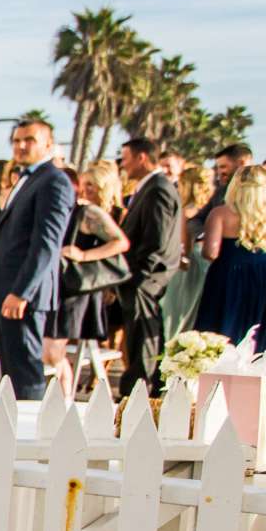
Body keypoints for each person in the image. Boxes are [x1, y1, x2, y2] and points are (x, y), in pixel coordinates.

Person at [0, 117, 75, 401]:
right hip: (6, 292)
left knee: (25, 373)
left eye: (29, 140)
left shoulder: (53, 181)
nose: (21, 146)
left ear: (48, 144)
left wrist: (21, 292)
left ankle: (27, 433)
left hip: (24, 297)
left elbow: (46, 244)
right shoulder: (27, 178)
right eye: (16, 141)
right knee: (10, 373)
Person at [49, 160, 131, 397]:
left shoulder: (88, 213)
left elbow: (121, 242)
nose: (85, 189)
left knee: (55, 351)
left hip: (78, 289)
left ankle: (63, 403)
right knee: (54, 352)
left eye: (90, 185)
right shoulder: (63, 210)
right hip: (58, 286)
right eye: (83, 184)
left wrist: (84, 255)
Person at [194, 161, 266, 353]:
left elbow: (211, 252)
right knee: (261, 327)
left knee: (222, 326)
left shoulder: (221, 213)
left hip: (229, 272)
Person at [112, 137, 181, 391]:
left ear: (142, 158)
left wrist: (140, 277)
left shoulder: (158, 189)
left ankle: (140, 391)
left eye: (126, 158)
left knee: (143, 340)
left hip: (145, 279)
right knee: (137, 337)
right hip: (139, 277)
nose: (123, 165)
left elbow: (157, 239)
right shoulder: (149, 187)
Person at [162, 164, 218, 342]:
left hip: (189, 261)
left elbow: (182, 244)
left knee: (179, 310)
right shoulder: (213, 208)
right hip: (209, 261)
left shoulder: (184, 210)